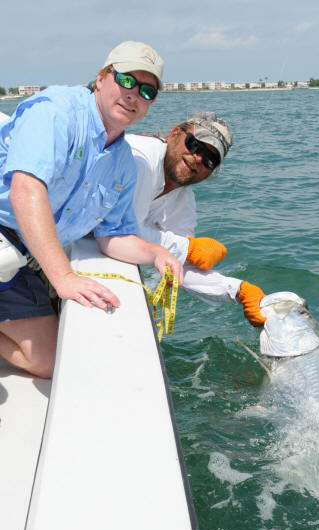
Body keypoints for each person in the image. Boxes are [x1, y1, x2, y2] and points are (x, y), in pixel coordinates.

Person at [0, 41, 183, 378]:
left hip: (18, 258)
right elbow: (25, 193)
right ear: (101, 78)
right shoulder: (56, 111)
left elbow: (112, 236)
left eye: (146, 91)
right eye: (126, 81)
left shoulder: (125, 164)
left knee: (51, 360)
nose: (133, 95)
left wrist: (156, 253)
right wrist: (65, 277)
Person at [125, 112, 266, 327]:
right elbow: (120, 230)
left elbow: (178, 263)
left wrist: (238, 290)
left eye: (210, 159)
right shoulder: (141, 157)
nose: (198, 158)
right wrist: (188, 248)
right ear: (174, 133)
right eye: (195, 145)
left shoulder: (184, 200)